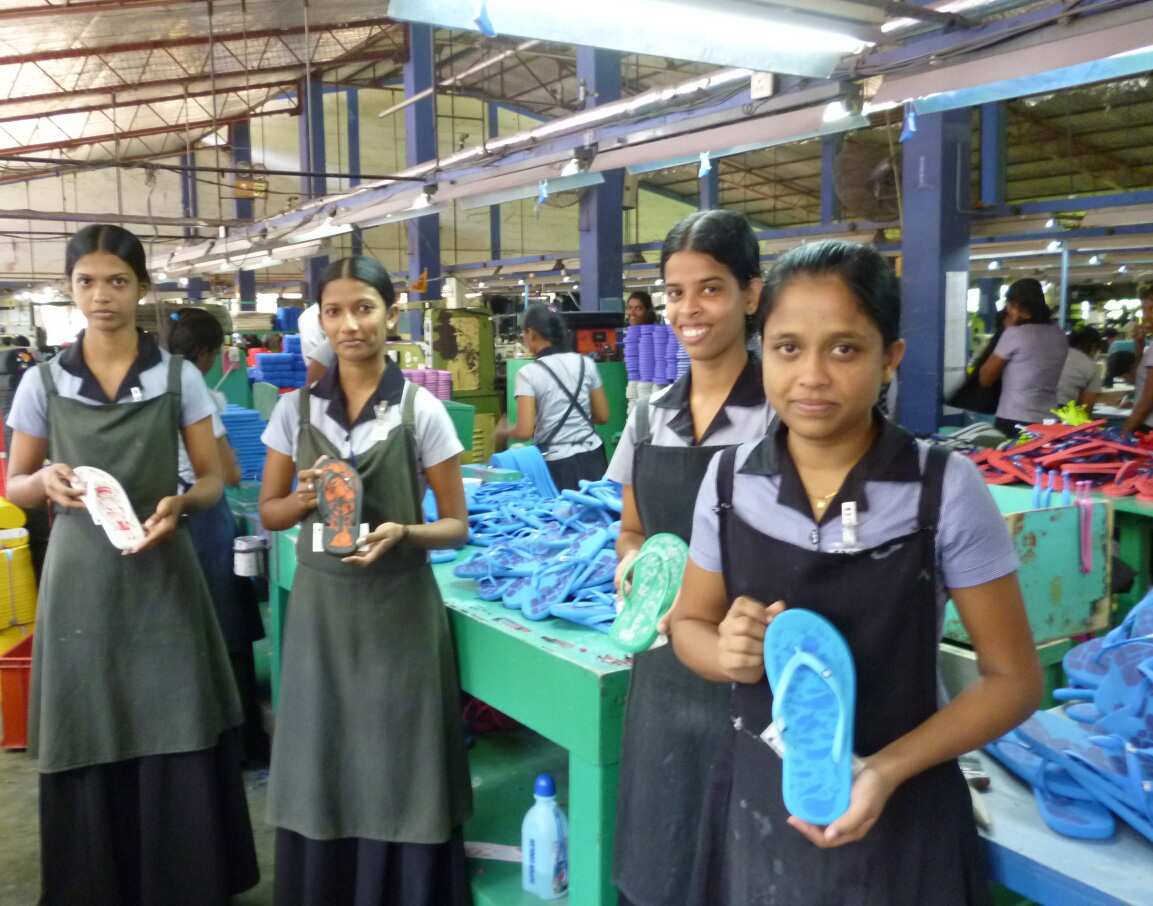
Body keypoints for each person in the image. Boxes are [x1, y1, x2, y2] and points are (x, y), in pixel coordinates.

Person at [672, 240, 1041, 905]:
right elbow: (687, 626)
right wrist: (724, 653)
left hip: (903, 813)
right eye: (787, 347)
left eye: (843, 348)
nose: (811, 375)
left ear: (889, 358)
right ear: (762, 353)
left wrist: (883, 770)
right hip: (763, 802)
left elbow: (1012, 681)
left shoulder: (942, 490)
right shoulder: (728, 483)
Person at [5, 224, 258, 904]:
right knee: (90, 719)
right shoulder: (43, 382)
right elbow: (16, 482)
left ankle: (185, 880)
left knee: (174, 713)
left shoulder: (177, 379)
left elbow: (212, 478)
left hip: (162, 571)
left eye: (116, 281)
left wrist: (180, 504)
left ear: (141, 287)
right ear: (69, 287)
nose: (101, 296)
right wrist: (45, 484)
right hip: (82, 579)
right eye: (86, 281)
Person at [259, 255, 473, 906]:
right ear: (319, 320)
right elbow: (270, 511)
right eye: (334, 311)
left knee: (398, 760)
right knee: (322, 757)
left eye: (364, 308)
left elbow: (457, 524)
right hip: (322, 615)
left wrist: (404, 533)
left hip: (399, 612)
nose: (349, 324)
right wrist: (302, 501)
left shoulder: (420, 410)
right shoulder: (293, 413)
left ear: (391, 314)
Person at [606, 209, 773, 906]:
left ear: (751, 294)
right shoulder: (649, 415)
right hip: (663, 665)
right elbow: (633, 528)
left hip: (749, 668)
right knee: (663, 853)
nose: (687, 309)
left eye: (709, 288)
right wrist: (634, 567)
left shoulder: (781, 411)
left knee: (744, 863)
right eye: (674, 292)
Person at [168, 308, 268, 764]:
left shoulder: (154, 385)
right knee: (229, 631)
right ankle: (243, 742)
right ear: (207, 352)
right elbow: (227, 472)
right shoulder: (198, 394)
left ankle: (197, 741)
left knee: (185, 633)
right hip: (204, 519)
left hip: (166, 520)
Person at [503, 303, 610, 491]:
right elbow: (602, 416)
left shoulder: (528, 373)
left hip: (557, 463)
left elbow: (525, 431)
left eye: (524, 334)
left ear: (532, 333)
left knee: (564, 517)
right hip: (594, 455)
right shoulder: (586, 363)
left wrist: (503, 432)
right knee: (599, 514)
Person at [977, 278, 1068, 434]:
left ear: (1019, 307)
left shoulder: (1015, 334)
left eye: (1010, 305)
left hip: (1014, 418)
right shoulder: (1059, 334)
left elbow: (985, 378)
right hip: (1049, 419)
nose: (1007, 310)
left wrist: (1004, 333)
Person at [1123, 286, 1153, 433]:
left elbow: (1147, 402)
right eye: (1144, 309)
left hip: (1148, 429)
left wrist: (1123, 434)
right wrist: (1139, 348)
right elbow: (1133, 380)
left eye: (1152, 309)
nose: (1146, 315)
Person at [1055, 326, 1104, 409]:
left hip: (1032, 408)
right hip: (1063, 411)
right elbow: (1086, 407)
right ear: (1093, 346)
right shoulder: (1090, 366)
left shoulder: (1053, 354)